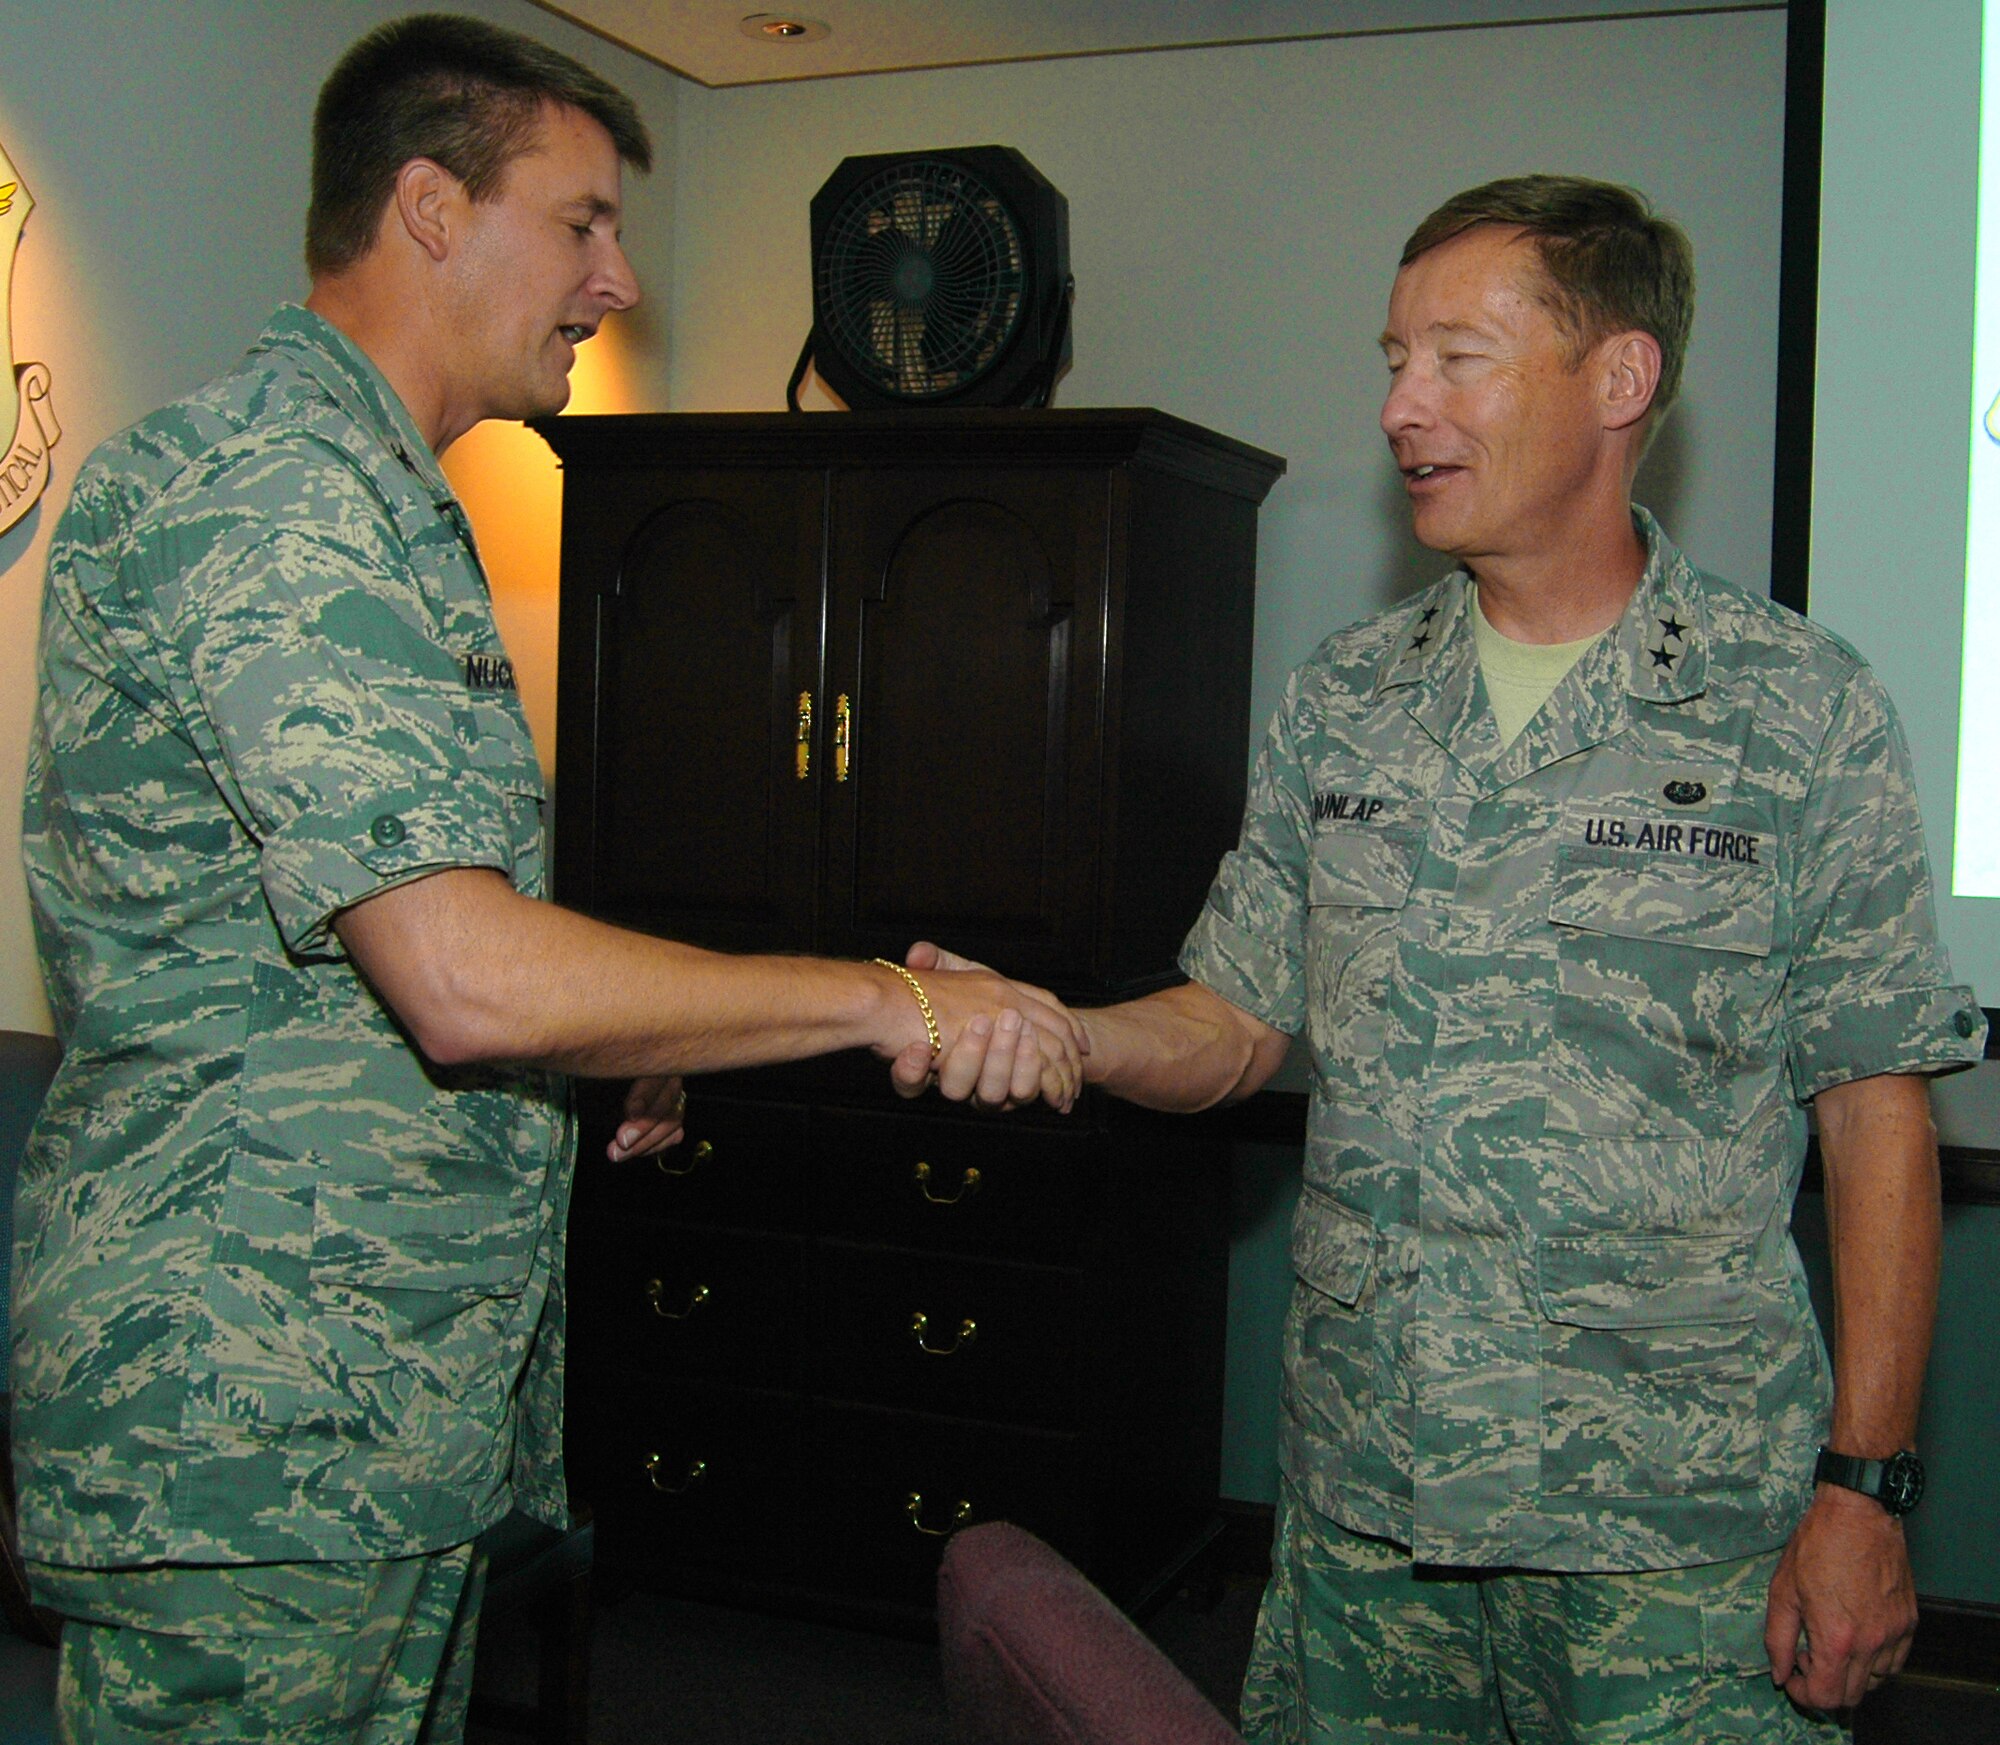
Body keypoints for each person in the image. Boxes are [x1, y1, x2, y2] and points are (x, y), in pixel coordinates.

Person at [12, 14, 1082, 1741]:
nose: (619, 280)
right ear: (431, 208)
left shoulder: (384, 501)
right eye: (581, 221)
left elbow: (394, 973)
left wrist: (601, 1056)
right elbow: (464, 973)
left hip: (365, 1412)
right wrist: (890, 994)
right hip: (245, 1425)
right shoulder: (274, 494)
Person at [913, 175, 1985, 1741]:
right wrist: (1060, 1028)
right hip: (1371, 1518)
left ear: (1619, 379)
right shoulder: (1346, 697)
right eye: (1393, 358)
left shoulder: (1798, 711)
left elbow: (1874, 1111)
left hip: (1668, 1538)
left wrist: (1867, 1491)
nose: (1402, 406)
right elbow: (1231, 1019)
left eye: (1457, 358)